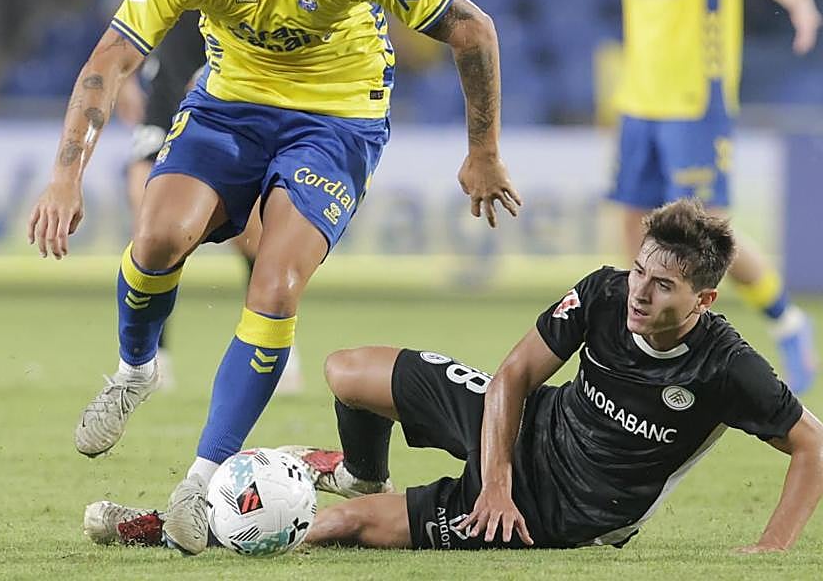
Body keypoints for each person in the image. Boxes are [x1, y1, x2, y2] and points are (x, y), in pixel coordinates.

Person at [28, 0, 521, 555]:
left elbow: (472, 28)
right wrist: (66, 175)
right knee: (156, 239)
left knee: (277, 285)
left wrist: (483, 149)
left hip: (337, 122)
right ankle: (134, 371)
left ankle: (199, 483)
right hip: (230, 108)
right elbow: (109, 61)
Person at [85, 199, 823, 554]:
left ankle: (160, 530)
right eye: (639, 273)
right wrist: (496, 468)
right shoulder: (602, 293)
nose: (639, 292)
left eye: (661, 287)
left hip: (559, 511)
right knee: (346, 372)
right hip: (524, 433)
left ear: (703, 299)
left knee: (335, 529)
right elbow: (512, 376)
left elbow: (811, 445)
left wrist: (772, 550)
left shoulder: (727, 367)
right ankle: (361, 472)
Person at [430, 0, 821, 392]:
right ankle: (635, 338)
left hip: (696, 101)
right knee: (634, 225)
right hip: (639, 102)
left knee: (712, 233)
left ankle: (785, 320)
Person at [122, 0, 300, 394]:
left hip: (240, 110)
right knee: (151, 224)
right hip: (166, 111)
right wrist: (128, 87)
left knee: (254, 236)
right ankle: (151, 361)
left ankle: (273, 338)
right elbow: (123, 30)